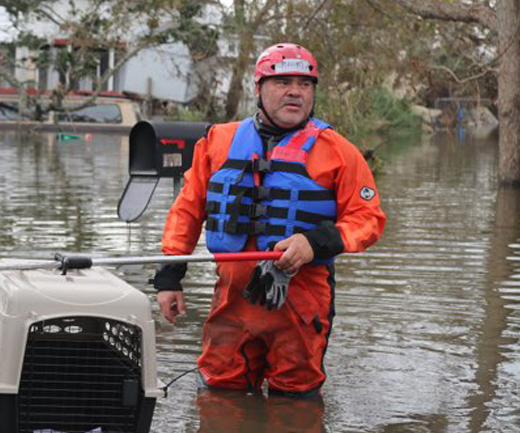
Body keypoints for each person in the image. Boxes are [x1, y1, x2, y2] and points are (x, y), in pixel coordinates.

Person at [154, 43, 385, 397]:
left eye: (304, 84)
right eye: (283, 82)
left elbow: (367, 219)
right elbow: (187, 209)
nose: (295, 91)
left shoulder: (340, 152)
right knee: (219, 396)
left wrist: (314, 242)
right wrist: (170, 276)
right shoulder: (218, 141)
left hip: (302, 300)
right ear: (259, 88)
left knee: (295, 404)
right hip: (232, 298)